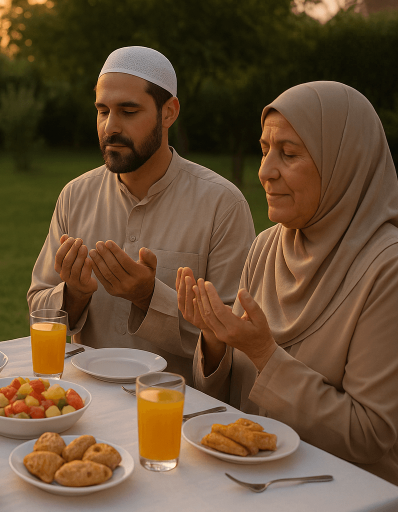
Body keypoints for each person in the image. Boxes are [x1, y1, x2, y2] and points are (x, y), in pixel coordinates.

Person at [180, 81, 398, 494]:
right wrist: (216, 342)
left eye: (288, 154)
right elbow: (235, 407)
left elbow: (367, 435)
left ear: (343, 163)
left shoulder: (394, 269)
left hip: (351, 492)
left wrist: (263, 354)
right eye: (265, 149)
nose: (265, 171)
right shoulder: (267, 246)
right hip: (259, 480)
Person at [28, 46, 255, 385]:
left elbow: (236, 341)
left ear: (169, 112)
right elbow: (38, 312)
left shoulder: (222, 205)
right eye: (102, 111)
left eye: (128, 111)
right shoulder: (76, 196)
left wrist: (149, 297)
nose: (110, 127)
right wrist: (74, 294)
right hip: (85, 401)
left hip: (177, 407)